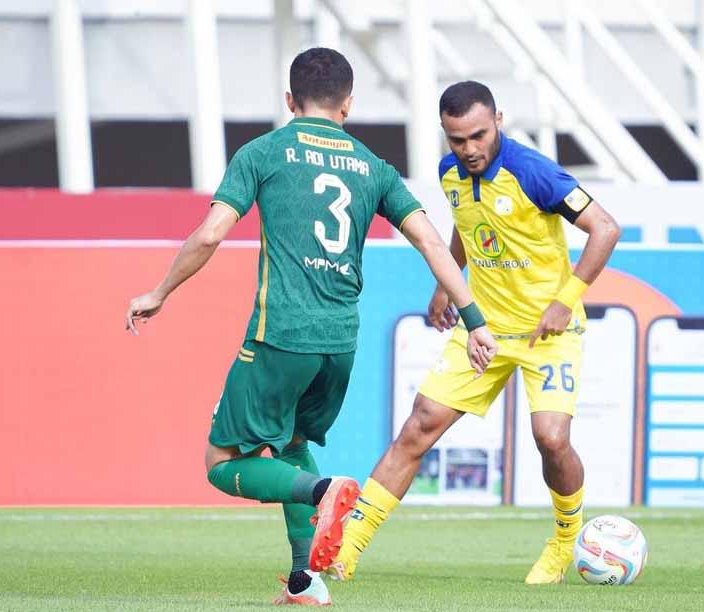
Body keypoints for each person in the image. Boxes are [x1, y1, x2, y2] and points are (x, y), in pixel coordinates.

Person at [124, 53, 497, 605]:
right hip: (340, 345)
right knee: (293, 442)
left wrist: (158, 293)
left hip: (280, 337)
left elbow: (209, 236)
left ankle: (325, 491)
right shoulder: (374, 167)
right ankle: (305, 581)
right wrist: (474, 321)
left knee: (222, 464)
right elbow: (433, 243)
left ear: (289, 101)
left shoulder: (264, 154)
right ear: (349, 104)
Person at [316, 80, 621, 585]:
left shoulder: (534, 173)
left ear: (498, 119)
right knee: (419, 425)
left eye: (479, 135)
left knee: (551, 439)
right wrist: (447, 284)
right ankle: (347, 549)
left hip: (547, 333)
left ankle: (565, 542)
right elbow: (468, 222)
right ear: (445, 134)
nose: (470, 149)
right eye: (458, 140)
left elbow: (605, 229)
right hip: (486, 330)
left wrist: (565, 302)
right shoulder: (450, 172)